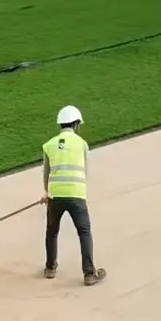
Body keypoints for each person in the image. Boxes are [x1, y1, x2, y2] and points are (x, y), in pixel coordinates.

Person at [41, 104, 105, 286]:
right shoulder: (82, 144)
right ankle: (89, 273)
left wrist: (47, 192)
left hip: (55, 196)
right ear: (76, 124)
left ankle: (50, 268)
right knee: (84, 232)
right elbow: (85, 171)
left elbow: (46, 173)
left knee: (52, 232)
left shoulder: (49, 145)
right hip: (77, 194)